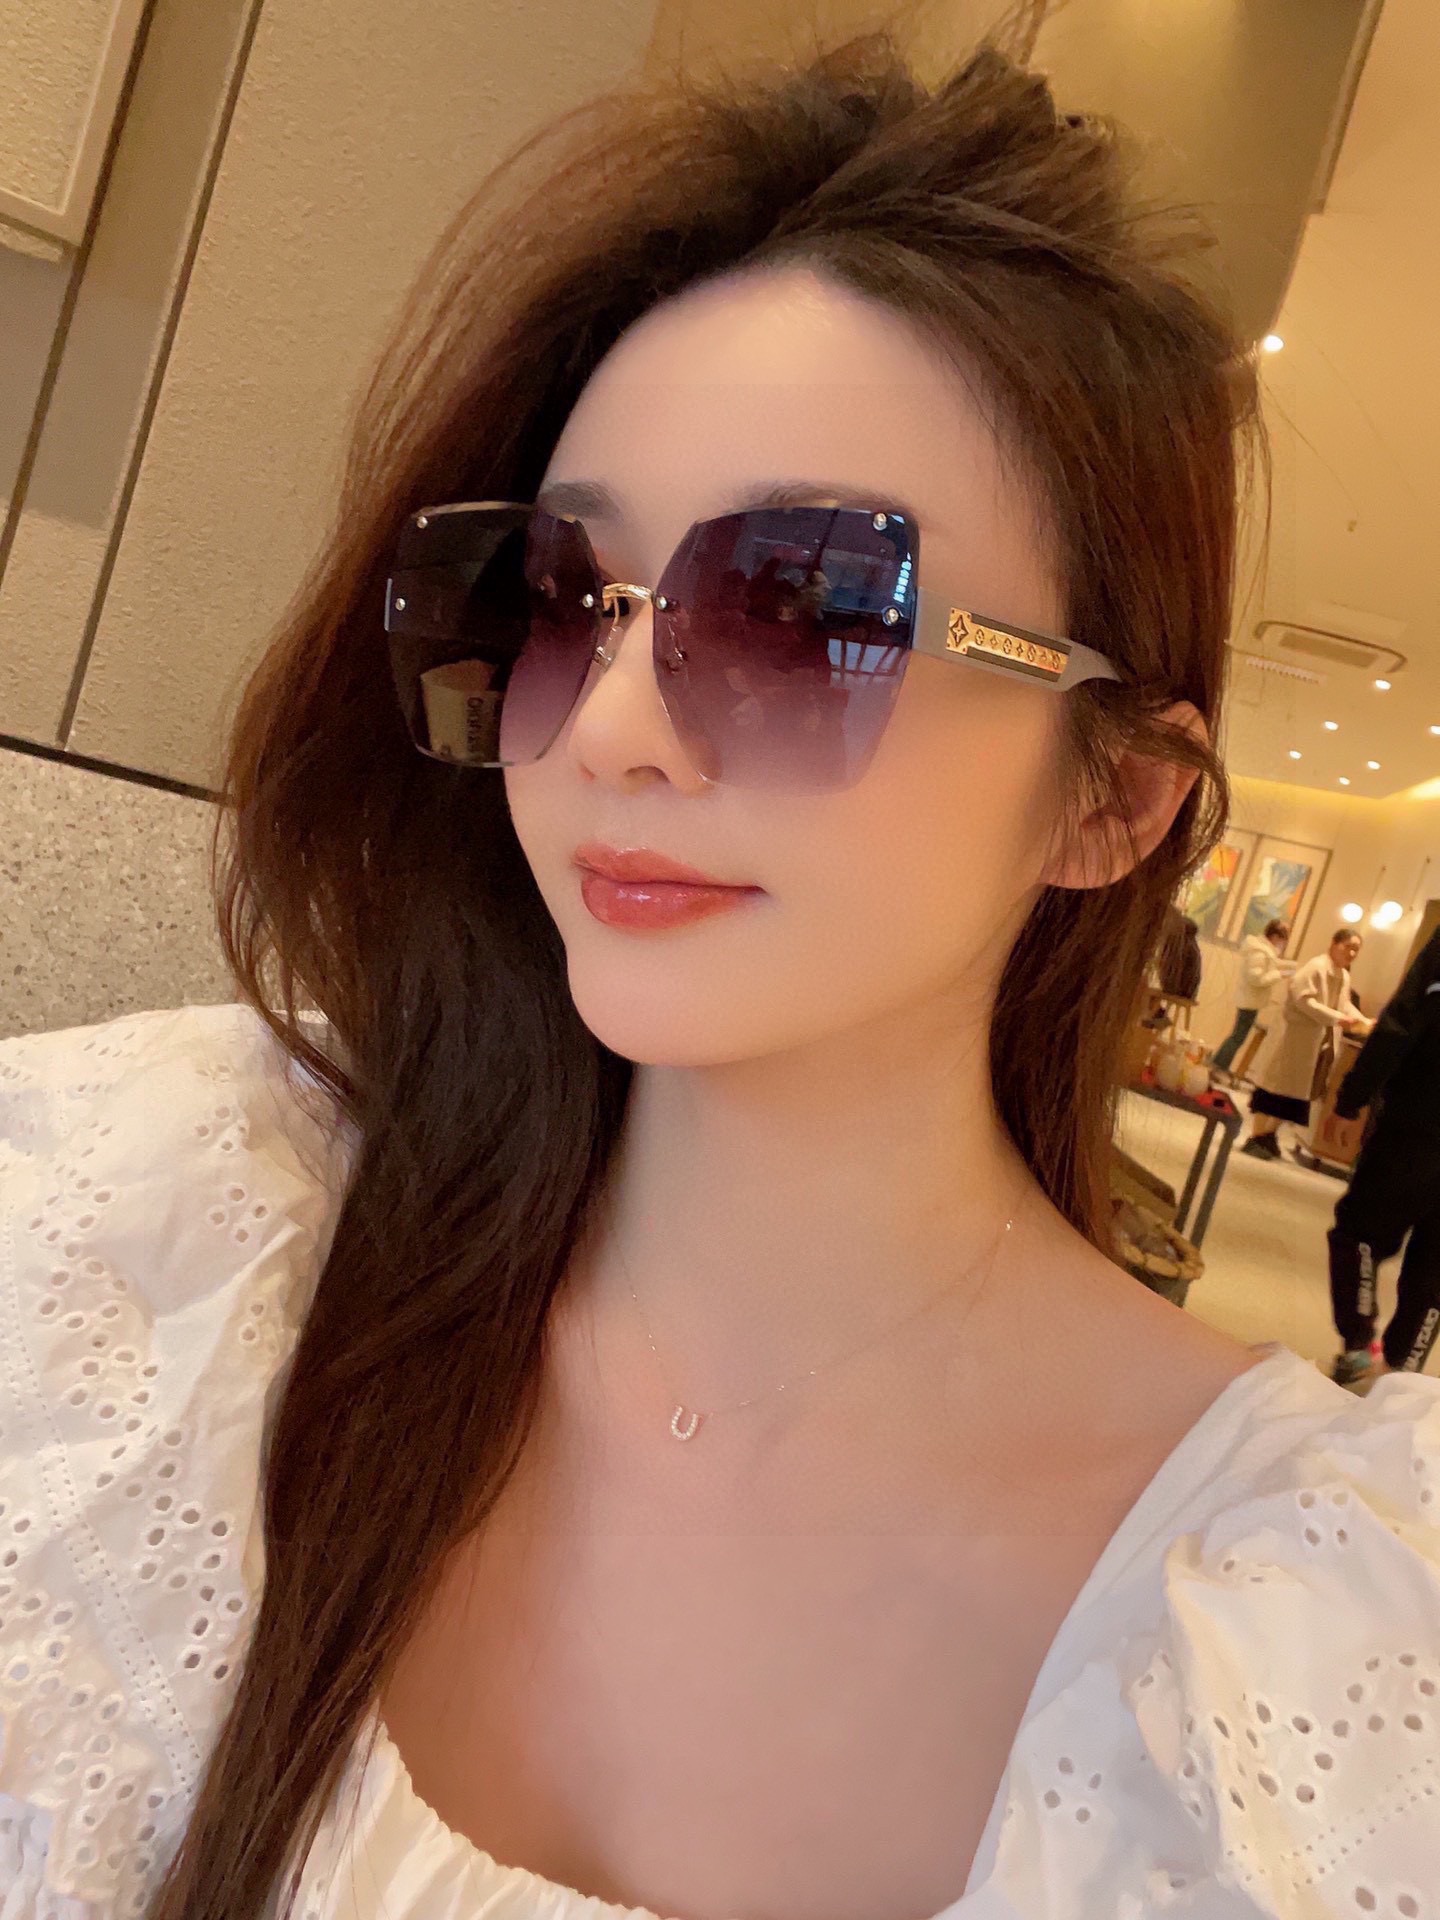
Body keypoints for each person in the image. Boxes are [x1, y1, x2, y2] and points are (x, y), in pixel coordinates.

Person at [2, 24, 1437, 1920]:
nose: (609, 727)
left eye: (801, 611)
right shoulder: (165, 1249)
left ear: (1113, 798)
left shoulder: (1325, 1650)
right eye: (556, 601)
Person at [1326, 924, 1440, 1387]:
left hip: (1417, 1126)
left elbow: (1401, 1022)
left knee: (1359, 1233)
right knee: (1436, 1265)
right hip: (1419, 1124)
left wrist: (1351, 1098)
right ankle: (1402, 1372)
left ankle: (1358, 1347)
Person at [1240, 927, 1373, 1159]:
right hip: (1293, 1037)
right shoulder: (1315, 967)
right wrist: (1338, 1018)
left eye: (1356, 950)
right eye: (1348, 947)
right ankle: (1258, 1135)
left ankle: (1269, 1135)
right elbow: (1304, 1000)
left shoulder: (1343, 975)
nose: (1351, 953)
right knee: (1273, 1089)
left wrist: (1362, 1020)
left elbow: (1343, 1004)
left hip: (1314, 1042)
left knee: (1295, 1094)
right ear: (1334, 944)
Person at [1208, 915, 1294, 1082]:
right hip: (1249, 1001)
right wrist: (1280, 974)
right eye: (1284, 938)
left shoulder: (1263, 950)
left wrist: (1292, 968)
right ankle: (1218, 1067)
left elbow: (1272, 965)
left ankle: (1218, 1065)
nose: (1284, 943)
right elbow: (1256, 978)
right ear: (1275, 937)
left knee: (1238, 1036)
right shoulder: (1260, 951)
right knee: (1238, 1037)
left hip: (1250, 1000)